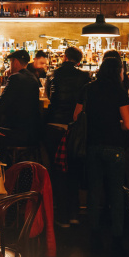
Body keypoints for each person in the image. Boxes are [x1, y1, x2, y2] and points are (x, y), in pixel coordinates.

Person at [75, 56, 129, 257]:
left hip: (92, 146)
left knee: (94, 193)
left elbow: (76, 117)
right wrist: (116, 124)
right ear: (118, 72)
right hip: (114, 146)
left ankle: (95, 239)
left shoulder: (88, 89)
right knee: (116, 194)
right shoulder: (119, 91)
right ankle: (117, 241)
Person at [46, 46, 90, 227]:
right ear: (79, 61)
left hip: (54, 126)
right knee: (74, 170)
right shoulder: (84, 77)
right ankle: (74, 214)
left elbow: (49, 97)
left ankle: (62, 216)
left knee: (58, 172)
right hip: (74, 129)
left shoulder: (53, 74)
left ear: (64, 57)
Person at [0, 49, 42, 154]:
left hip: (17, 134)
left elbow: (1, 106)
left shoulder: (15, 78)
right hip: (33, 134)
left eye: (10, 62)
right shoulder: (33, 78)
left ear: (15, 62)